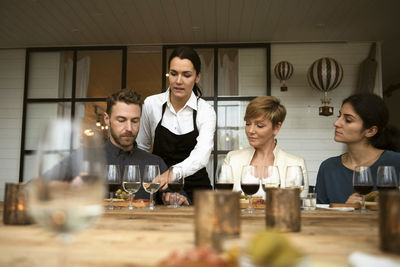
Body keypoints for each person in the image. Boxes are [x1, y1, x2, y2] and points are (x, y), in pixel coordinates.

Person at [137, 47, 216, 204]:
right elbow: (142, 149)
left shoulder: (205, 111)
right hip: (162, 190)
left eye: (186, 75)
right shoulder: (151, 104)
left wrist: (171, 174)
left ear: (197, 77)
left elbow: (201, 156)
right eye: (173, 74)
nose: (178, 81)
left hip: (198, 191)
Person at [315, 93, 400, 204]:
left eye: (348, 120)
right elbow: (320, 215)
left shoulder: (396, 162)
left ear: (370, 131)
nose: (336, 123)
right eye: (339, 116)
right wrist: (346, 210)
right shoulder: (328, 167)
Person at [223, 96, 308, 196]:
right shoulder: (232, 159)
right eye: (248, 123)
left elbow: (300, 207)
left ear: (276, 127)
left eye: (259, 125)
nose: (250, 131)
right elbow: (221, 202)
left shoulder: (296, 164)